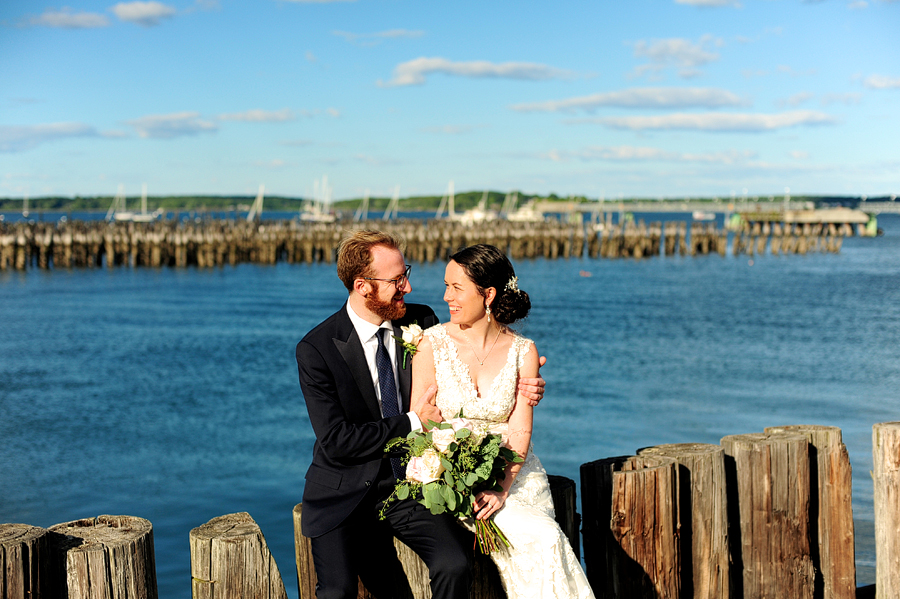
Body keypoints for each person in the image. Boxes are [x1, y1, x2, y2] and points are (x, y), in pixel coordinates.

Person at [295, 230, 546, 599]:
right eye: (396, 280)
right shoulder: (316, 349)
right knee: (337, 592)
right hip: (344, 493)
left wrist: (523, 380)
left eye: (405, 273)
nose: (408, 287)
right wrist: (413, 421)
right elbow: (337, 441)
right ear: (363, 286)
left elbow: (478, 352)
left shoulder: (422, 321)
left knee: (454, 564)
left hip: (412, 487)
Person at [411, 244, 596, 599]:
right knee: (541, 537)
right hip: (453, 473)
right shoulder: (430, 344)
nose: (446, 296)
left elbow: (520, 428)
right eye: (446, 285)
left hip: (515, 470)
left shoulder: (523, 351)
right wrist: (455, 470)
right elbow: (425, 418)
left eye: (456, 287)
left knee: (545, 537)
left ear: (488, 294)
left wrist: (502, 488)